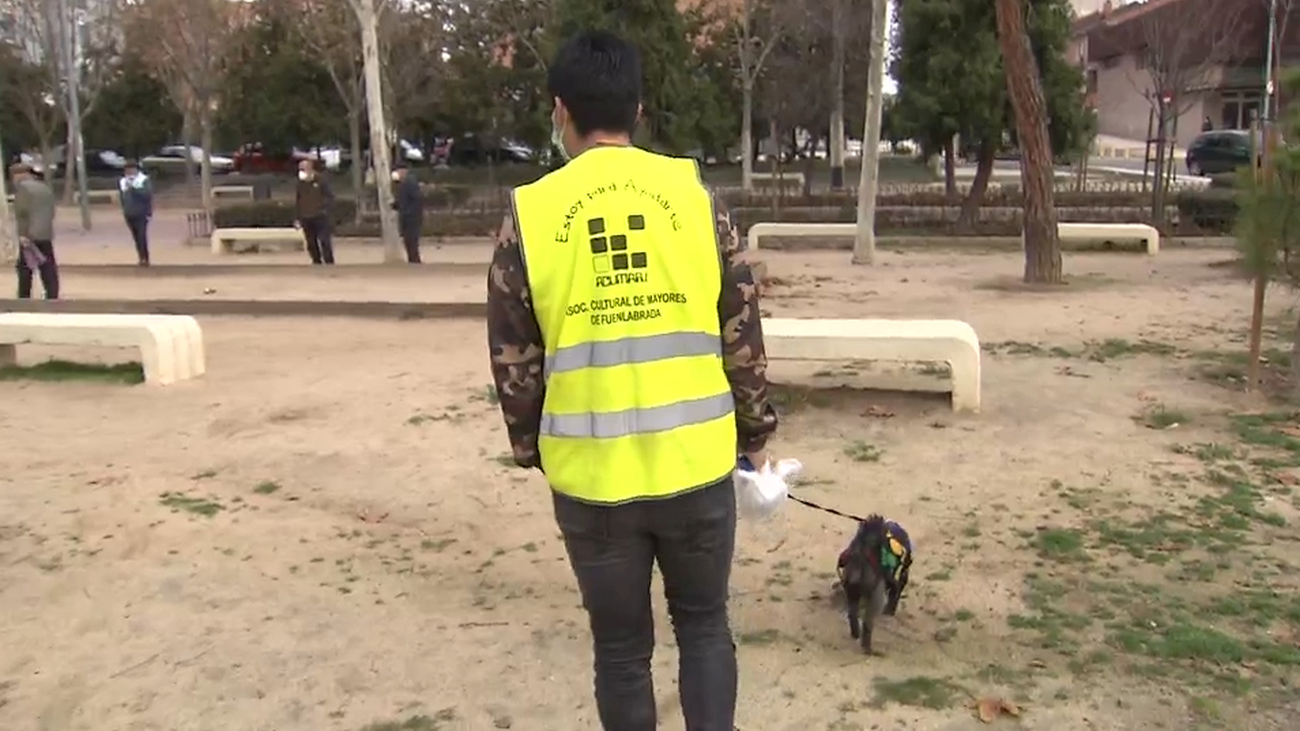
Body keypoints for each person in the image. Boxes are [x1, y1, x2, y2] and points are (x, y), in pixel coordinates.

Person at [486, 30, 776, 731]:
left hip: (593, 483)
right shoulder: (695, 197)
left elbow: (512, 355)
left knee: (620, 651)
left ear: (561, 111)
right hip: (698, 466)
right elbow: (741, 326)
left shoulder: (529, 216)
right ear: (639, 108)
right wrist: (756, 433)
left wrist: (531, 447)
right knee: (705, 627)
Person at [11, 163, 59, 299]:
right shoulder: (45, 188)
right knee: (48, 265)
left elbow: (23, 214)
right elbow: (51, 211)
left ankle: (24, 295)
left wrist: (23, 234)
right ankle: (52, 293)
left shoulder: (23, 190)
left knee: (24, 267)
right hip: (45, 232)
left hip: (30, 234)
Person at [295, 159, 335, 265]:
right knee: (311, 242)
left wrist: (325, 209)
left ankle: (329, 261)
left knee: (324, 241)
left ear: (310, 169)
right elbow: (298, 200)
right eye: (300, 169)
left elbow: (330, 196)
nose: (301, 171)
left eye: (303, 169)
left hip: (320, 216)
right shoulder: (300, 183)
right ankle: (316, 261)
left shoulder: (321, 180)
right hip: (306, 217)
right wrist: (298, 217)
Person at [119, 160, 154, 266]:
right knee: (135, 236)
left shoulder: (143, 180)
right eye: (127, 170)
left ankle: (145, 257)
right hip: (129, 213)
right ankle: (140, 256)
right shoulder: (123, 181)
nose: (129, 172)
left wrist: (133, 188)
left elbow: (147, 195)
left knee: (141, 235)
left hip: (141, 213)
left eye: (131, 169)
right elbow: (122, 197)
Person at [391, 162, 423, 263]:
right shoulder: (402, 184)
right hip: (406, 217)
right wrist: (395, 205)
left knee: (412, 240)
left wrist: (409, 212)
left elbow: (416, 199)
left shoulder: (410, 182)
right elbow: (403, 200)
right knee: (408, 241)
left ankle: (415, 261)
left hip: (412, 218)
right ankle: (412, 260)